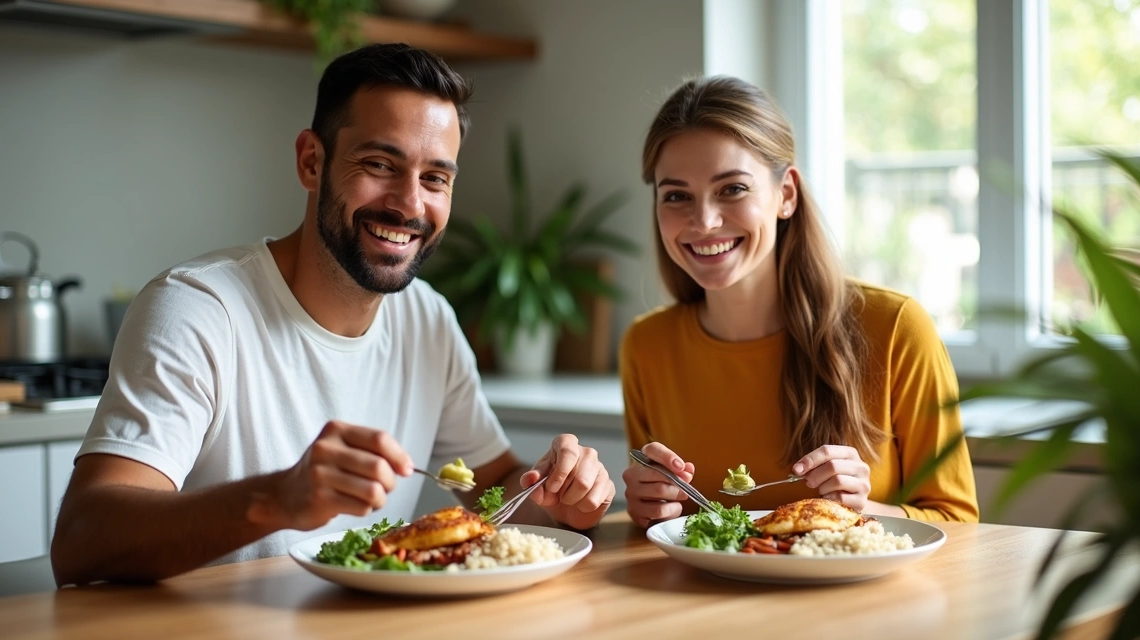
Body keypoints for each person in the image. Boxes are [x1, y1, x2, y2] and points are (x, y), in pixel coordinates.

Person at [51, 43, 616, 586]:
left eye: (436, 178)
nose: (410, 204)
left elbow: (492, 485)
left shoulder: (428, 321)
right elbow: (83, 540)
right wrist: (277, 498)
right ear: (311, 161)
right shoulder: (198, 311)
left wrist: (562, 494)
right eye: (379, 163)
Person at [620, 76, 978, 528]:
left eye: (732, 189)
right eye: (676, 196)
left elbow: (959, 524)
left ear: (785, 194)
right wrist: (648, 508)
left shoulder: (896, 328)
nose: (705, 221)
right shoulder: (645, 346)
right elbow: (670, 532)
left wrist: (860, 511)